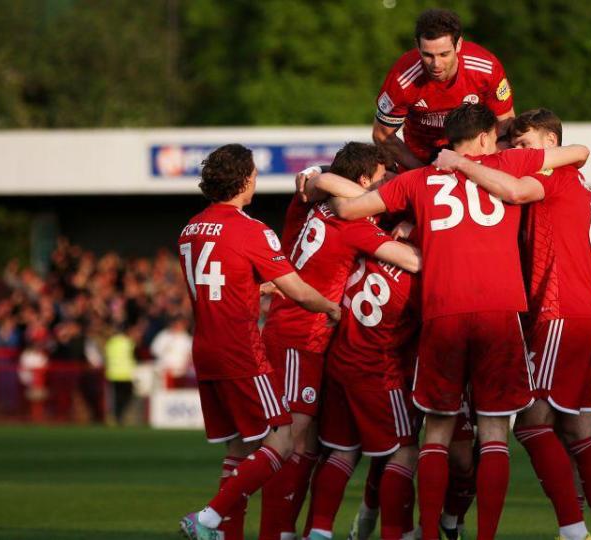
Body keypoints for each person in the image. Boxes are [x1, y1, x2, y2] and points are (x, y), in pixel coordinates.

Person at [331, 103, 590, 540]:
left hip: (443, 312)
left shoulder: (416, 180)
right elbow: (578, 152)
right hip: (499, 312)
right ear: (488, 137)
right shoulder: (508, 161)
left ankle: (430, 533)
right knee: (493, 434)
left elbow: (350, 211)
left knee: (437, 432)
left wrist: (322, 180)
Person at [439, 107, 591, 540]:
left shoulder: (553, 175)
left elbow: (516, 191)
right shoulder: (577, 183)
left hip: (558, 313)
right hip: (582, 316)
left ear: (550, 145)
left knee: (533, 425)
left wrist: (461, 163)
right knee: (581, 428)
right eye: (514, 144)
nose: (520, 152)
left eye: (526, 145)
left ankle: (573, 530)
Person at [259, 142, 423, 540]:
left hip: (317, 342)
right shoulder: (356, 225)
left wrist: (319, 175)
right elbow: (415, 262)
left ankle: (310, 531)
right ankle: (270, 530)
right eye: (382, 180)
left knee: (321, 447)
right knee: (292, 442)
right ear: (366, 180)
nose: (386, 188)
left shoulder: (306, 204)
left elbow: (319, 181)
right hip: (305, 331)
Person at [178, 144, 342, 540]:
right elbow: (300, 292)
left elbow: (218, 277)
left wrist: (254, 285)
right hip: (241, 349)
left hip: (206, 348)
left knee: (236, 449)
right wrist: (332, 309)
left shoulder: (191, 228)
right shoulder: (251, 229)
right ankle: (209, 517)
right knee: (282, 440)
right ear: (245, 178)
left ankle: (220, 531)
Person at [304, 253, 420, 540]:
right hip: (378, 372)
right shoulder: (418, 269)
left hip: (340, 363)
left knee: (343, 452)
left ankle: (319, 531)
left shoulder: (367, 253)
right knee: (404, 452)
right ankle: (395, 534)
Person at [373, 8, 515, 170]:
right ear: (417, 46)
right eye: (428, 55)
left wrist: (490, 166)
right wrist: (423, 173)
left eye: (444, 54)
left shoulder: (486, 69)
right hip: (421, 158)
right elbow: (382, 134)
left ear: (459, 44)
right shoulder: (402, 79)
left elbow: (505, 123)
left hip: (477, 157)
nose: (436, 64)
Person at [103, 323, 137, 424]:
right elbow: (134, 355)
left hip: (112, 374)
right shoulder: (128, 342)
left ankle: (115, 416)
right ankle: (119, 416)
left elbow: (105, 356)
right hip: (125, 374)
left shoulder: (110, 343)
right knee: (126, 396)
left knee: (115, 398)